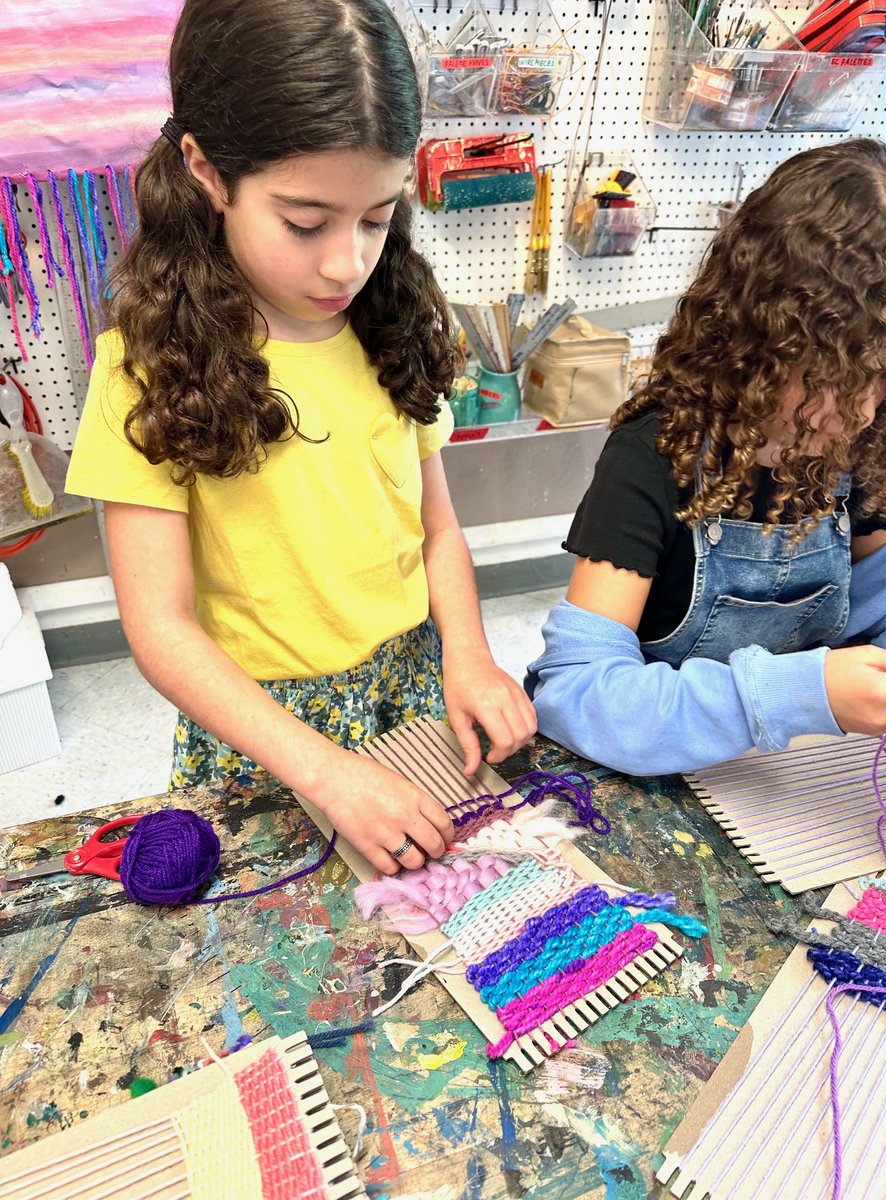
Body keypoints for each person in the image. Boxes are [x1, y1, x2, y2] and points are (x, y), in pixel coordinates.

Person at [66, 0, 535, 874]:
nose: (346, 264)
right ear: (206, 170)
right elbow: (161, 628)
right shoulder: (148, 366)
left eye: (376, 217)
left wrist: (468, 655)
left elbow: (435, 529)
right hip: (267, 733)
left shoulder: (391, 319)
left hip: (409, 687)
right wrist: (324, 771)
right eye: (305, 221)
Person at [526, 139, 886, 776]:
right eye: (838, 372)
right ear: (764, 333)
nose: (863, 410)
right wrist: (799, 694)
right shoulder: (656, 453)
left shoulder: (857, 447)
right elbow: (574, 693)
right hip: (655, 782)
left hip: (786, 782)